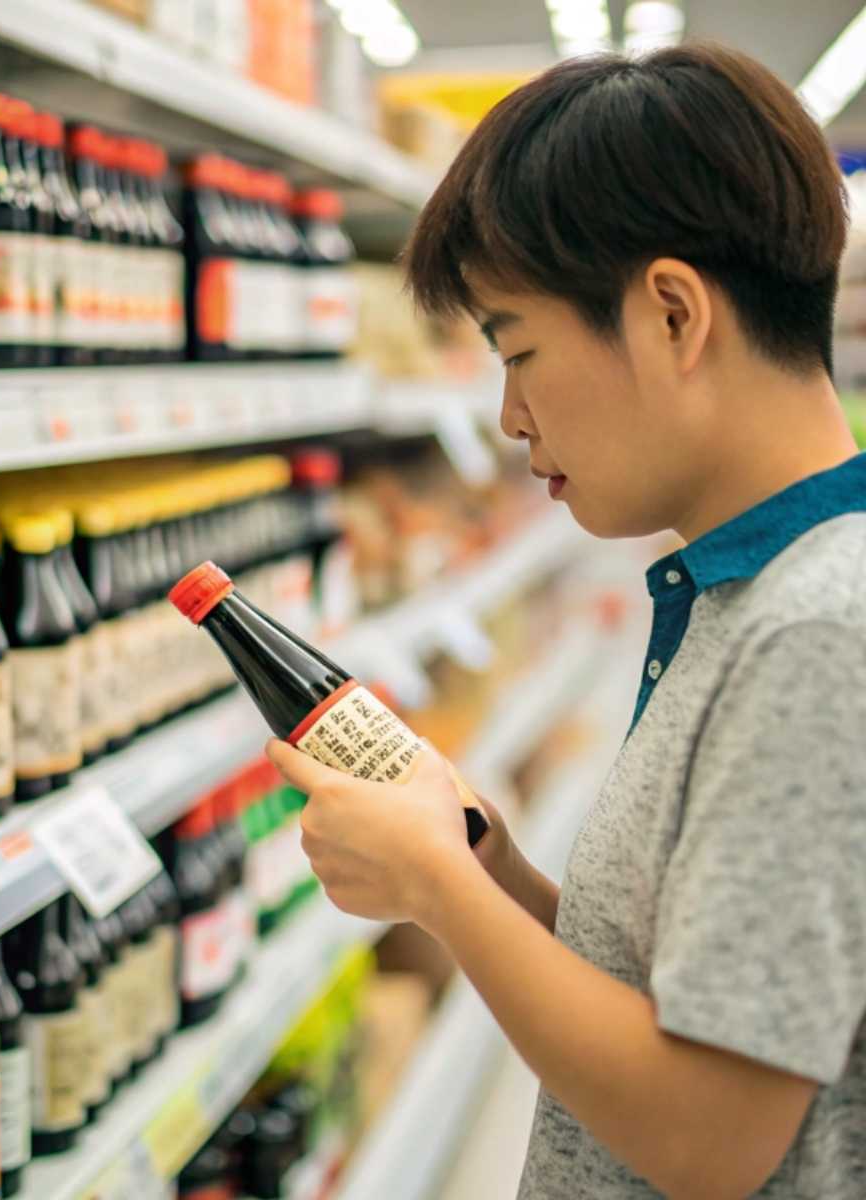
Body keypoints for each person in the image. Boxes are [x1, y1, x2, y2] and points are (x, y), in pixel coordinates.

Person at [267, 44, 866, 1200]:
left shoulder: (813, 633)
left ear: (673, 314)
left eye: (519, 348)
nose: (506, 414)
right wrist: (487, 861)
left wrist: (435, 891)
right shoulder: (750, 588)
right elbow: (682, 980)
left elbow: (711, 1137)